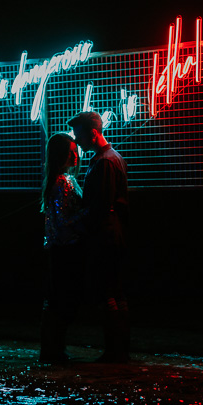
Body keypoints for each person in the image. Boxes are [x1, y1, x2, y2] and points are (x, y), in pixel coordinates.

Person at [67, 111, 130, 362]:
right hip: (112, 233)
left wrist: (79, 225)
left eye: (79, 133)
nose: (76, 139)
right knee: (115, 291)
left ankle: (114, 351)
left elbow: (99, 207)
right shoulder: (113, 158)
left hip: (104, 236)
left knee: (107, 292)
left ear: (92, 133)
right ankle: (119, 349)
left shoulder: (103, 162)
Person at [40, 132, 85, 363]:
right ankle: (54, 349)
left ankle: (53, 348)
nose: (76, 156)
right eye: (71, 152)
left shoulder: (59, 180)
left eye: (76, 151)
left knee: (57, 299)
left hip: (59, 248)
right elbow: (64, 220)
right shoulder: (63, 182)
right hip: (65, 249)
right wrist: (87, 216)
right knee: (62, 299)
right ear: (61, 154)